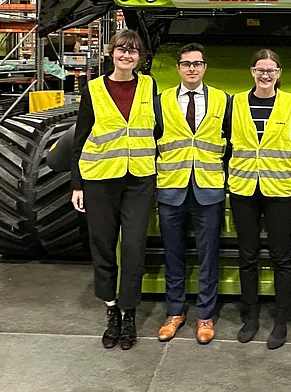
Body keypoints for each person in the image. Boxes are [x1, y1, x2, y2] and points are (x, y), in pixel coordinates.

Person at [69, 29, 157, 351]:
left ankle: (128, 311)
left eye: (133, 51)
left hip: (139, 178)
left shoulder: (149, 85)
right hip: (100, 178)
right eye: (122, 50)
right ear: (111, 53)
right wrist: (76, 184)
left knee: (133, 247)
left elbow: (157, 127)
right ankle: (111, 310)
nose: (127, 55)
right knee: (103, 245)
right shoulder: (92, 89)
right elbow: (81, 137)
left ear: (139, 57)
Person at [155, 43, 229, 345]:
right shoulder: (161, 101)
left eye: (197, 63)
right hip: (171, 188)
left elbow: (233, 140)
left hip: (208, 190)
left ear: (204, 68)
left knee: (208, 256)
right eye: (186, 64)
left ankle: (205, 316)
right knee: (173, 255)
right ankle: (174, 313)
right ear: (178, 69)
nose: (192, 69)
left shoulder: (222, 101)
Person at [228, 49, 291, 350]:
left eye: (271, 70)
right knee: (248, 255)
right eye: (260, 70)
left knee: (281, 256)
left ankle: (281, 319)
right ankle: (251, 315)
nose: (265, 75)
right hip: (244, 189)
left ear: (279, 73)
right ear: (252, 72)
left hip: (279, 190)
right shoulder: (236, 103)